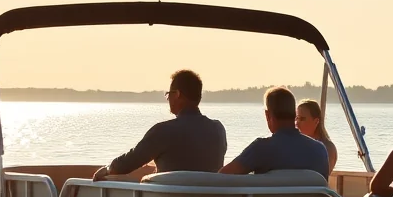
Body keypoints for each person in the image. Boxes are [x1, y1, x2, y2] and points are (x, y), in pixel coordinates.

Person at [93, 69, 226, 179]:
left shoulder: (163, 131)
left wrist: (108, 168)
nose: (168, 99)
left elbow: (127, 163)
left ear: (178, 94)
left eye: (169, 94)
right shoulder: (218, 130)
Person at [220, 86, 330, 179]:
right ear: (294, 114)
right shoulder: (320, 151)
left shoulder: (260, 149)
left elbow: (221, 178)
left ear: (268, 115)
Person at [295, 98, 338, 172]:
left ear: (316, 121)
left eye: (302, 119)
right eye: (296, 118)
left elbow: (321, 177)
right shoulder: (295, 145)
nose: (297, 123)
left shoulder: (328, 148)